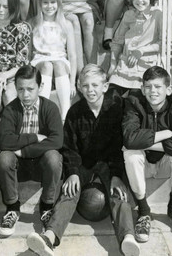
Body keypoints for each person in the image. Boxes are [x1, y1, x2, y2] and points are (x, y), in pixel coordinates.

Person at [26, 64, 139, 256]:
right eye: (85, 86)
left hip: (108, 163)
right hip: (83, 163)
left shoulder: (115, 109)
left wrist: (116, 174)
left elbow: (118, 147)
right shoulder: (75, 112)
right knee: (69, 192)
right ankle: (49, 237)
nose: (90, 90)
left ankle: (128, 237)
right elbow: (70, 148)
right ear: (79, 87)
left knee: (119, 193)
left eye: (95, 85)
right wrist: (73, 173)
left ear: (105, 86)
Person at [122, 66, 172, 243]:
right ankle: (144, 211)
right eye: (148, 86)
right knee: (131, 153)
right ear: (142, 89)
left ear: (168, 89)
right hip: (143, 164)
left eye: (157, 86)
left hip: (165, 165)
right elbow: (130, 140)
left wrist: (151, 143)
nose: (152, 91)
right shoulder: (133, 102)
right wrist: (165, 134)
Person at [0, 64, 63, 237]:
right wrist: (35, 137)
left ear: (40, 87)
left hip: (42, 166)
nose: (25, 95)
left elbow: (57, 140)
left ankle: (47, 206)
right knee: (4, 158)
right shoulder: (11, 109)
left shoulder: (50, 108)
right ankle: (12, 207)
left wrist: (24, 151)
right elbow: (4, 141)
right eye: (20, 89)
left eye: (30, 89)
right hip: (18, 168)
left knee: (54, 157)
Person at [30, 0, 77, 121]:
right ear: (39, 4)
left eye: (53, 2)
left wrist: (73, 82)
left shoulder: (66, 24)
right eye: (45, 2)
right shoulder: (34, 23)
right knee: (47, 65)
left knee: (58, 65)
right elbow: (28, 53)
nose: (49, 6)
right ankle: (41, 113)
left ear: (59, 4)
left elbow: (72, 55)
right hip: (40, 60)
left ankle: (65, 115)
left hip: (60, 60)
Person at [108, 0, 162, 94]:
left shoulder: (157, 15)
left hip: (146, 67)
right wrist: (112, 64)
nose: (140, 0)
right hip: (124, 66)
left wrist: (141, 51)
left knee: (134, 102)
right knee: (110, 99)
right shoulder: (128, 15)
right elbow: (118, 41)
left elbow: (163, 43)